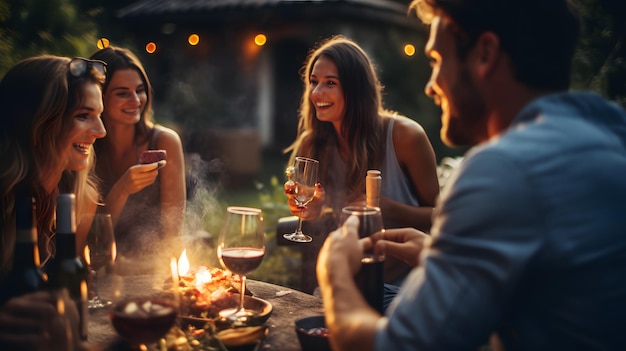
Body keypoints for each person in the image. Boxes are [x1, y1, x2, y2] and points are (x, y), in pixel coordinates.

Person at [316, 0, 626, 350]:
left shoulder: (504, 168)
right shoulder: (608, 135)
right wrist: (439, 252)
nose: (430, 86)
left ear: (485, 54)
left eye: (436, 60)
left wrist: (335, 271)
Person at [284, 35, 440, 289]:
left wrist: (390, 210)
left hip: (406, 287)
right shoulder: (312, 144)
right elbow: (323, 219)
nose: (316, 93)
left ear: (357, 88)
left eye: (330, 83)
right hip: (346, 283)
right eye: (313, 82)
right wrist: (311, 211)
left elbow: (442, 219)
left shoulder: (405, 137)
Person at [0, 55, 107, 350]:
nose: (101, 131)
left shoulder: (81, 199)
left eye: (99, 115)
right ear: (38, 122)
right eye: (83, 115)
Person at [89, 46, 186, 261]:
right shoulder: (86, 146)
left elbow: (173, 232)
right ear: (98, 96)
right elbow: (92, 239)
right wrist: (122, 189)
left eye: (140, 90)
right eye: (122, 93)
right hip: (99, 266)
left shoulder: (163, 142)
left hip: (151, 268)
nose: (136, 100)